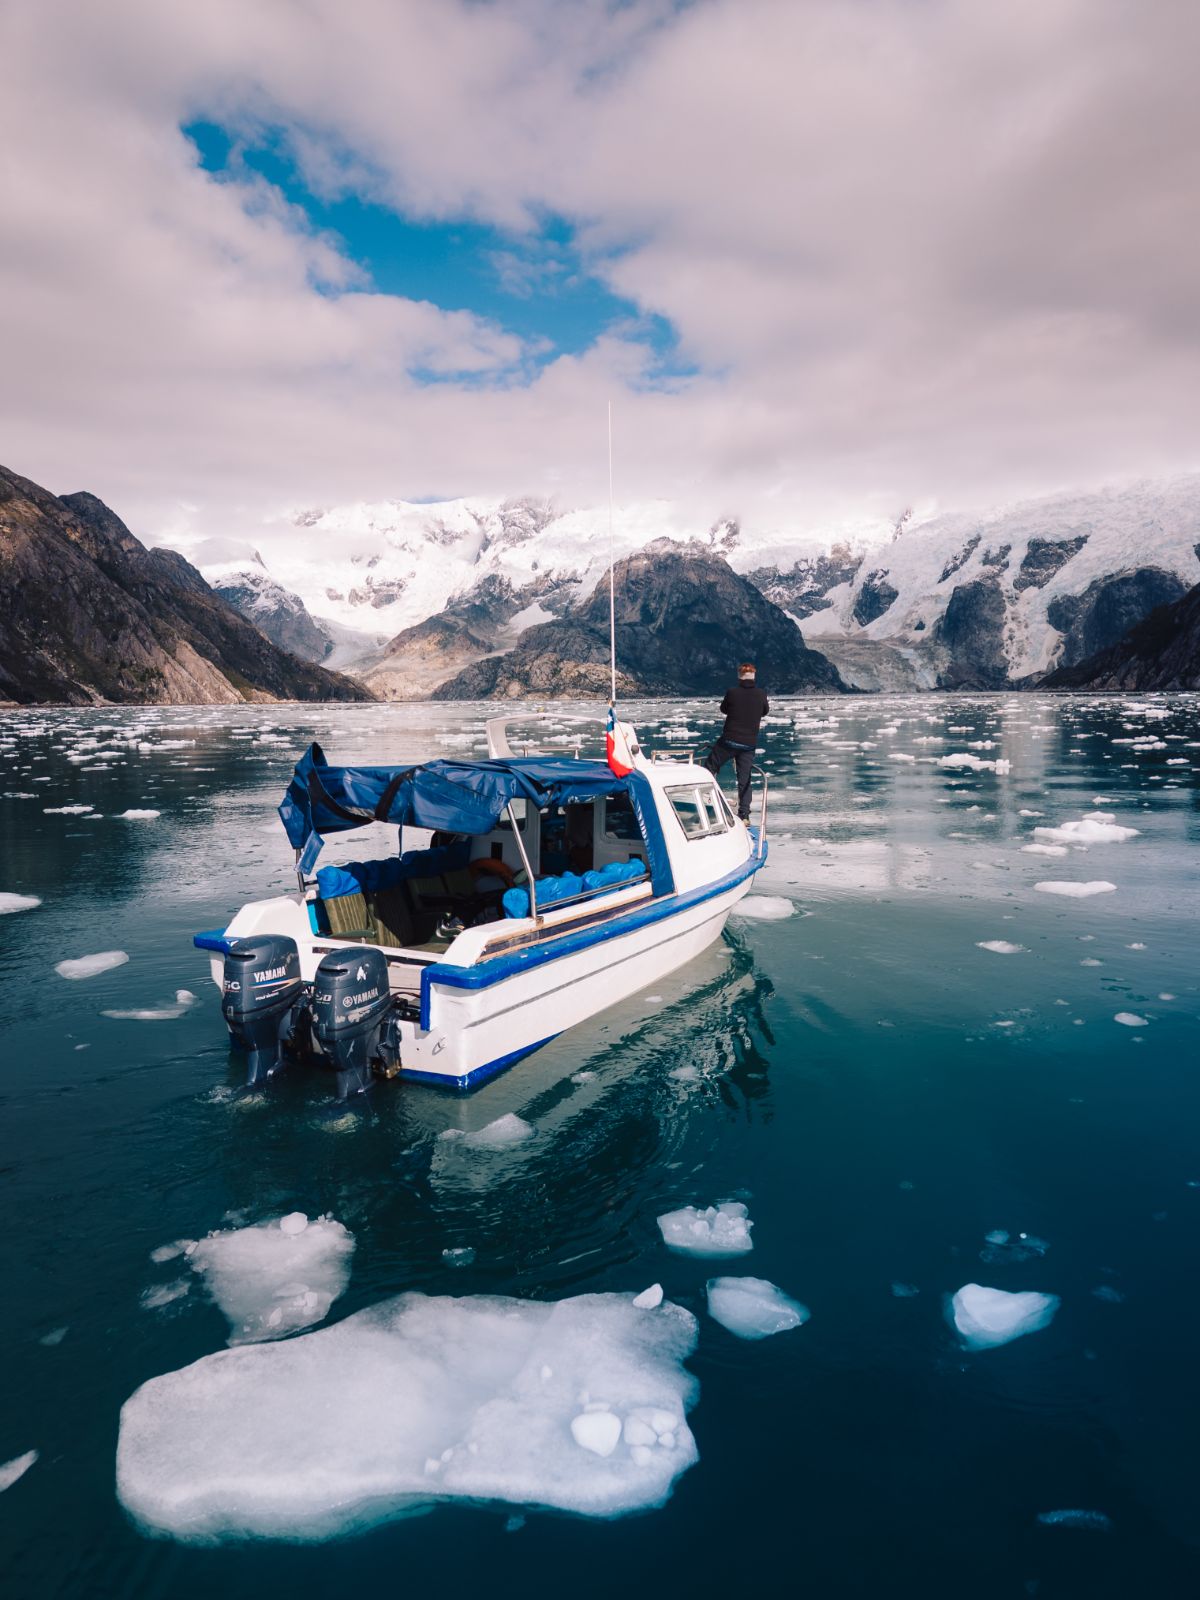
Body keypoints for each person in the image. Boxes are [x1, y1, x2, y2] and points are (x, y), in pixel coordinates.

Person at [704, 662, 769, 821]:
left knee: (710, 767)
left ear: (739, 677)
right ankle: (744, 815)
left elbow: (724, 709)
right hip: (748, 744)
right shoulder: (761, 694)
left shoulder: (732, 692)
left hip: (729, 741)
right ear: (754, 677)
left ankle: (707, 803)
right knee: (745, 779)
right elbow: (765, 711)